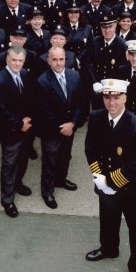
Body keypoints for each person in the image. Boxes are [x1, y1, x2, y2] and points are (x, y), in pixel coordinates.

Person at [84, 78, 136, 272]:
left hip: (131, 188)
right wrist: (98, 177)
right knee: (108, 219)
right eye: (107, 97)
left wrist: (111, 181)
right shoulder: (96, 117)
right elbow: (90, 149)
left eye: (116, 97)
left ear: (125, 98)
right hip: (104, 185)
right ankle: (109, 248)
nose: (111, 102)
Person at [36, 46, 88, 209]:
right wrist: (62, 127)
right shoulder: (42, 81)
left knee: (65, 155)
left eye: (61, 59)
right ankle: (47, 191)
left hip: (70, 127)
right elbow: (44, 110)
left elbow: (82, 102)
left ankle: (61, 180)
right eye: (55, 59)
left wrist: (72, 123)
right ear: (48, 61)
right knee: (50, 160)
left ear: (66, 59)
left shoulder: (74, 76)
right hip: (52, 129)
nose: (59, 63)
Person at [0, 46, 35, 218]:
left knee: (23, 158)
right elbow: (1, 110)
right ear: (7, 60)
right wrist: (19, 124)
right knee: (9, 164)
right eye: (14, 60)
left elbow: (28, 99)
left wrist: (28, 120)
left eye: (20, 61)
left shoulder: (24, 74)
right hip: (10, 130)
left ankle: (18, 183)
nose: (17, 64)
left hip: (26, 127)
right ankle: (7, 200)